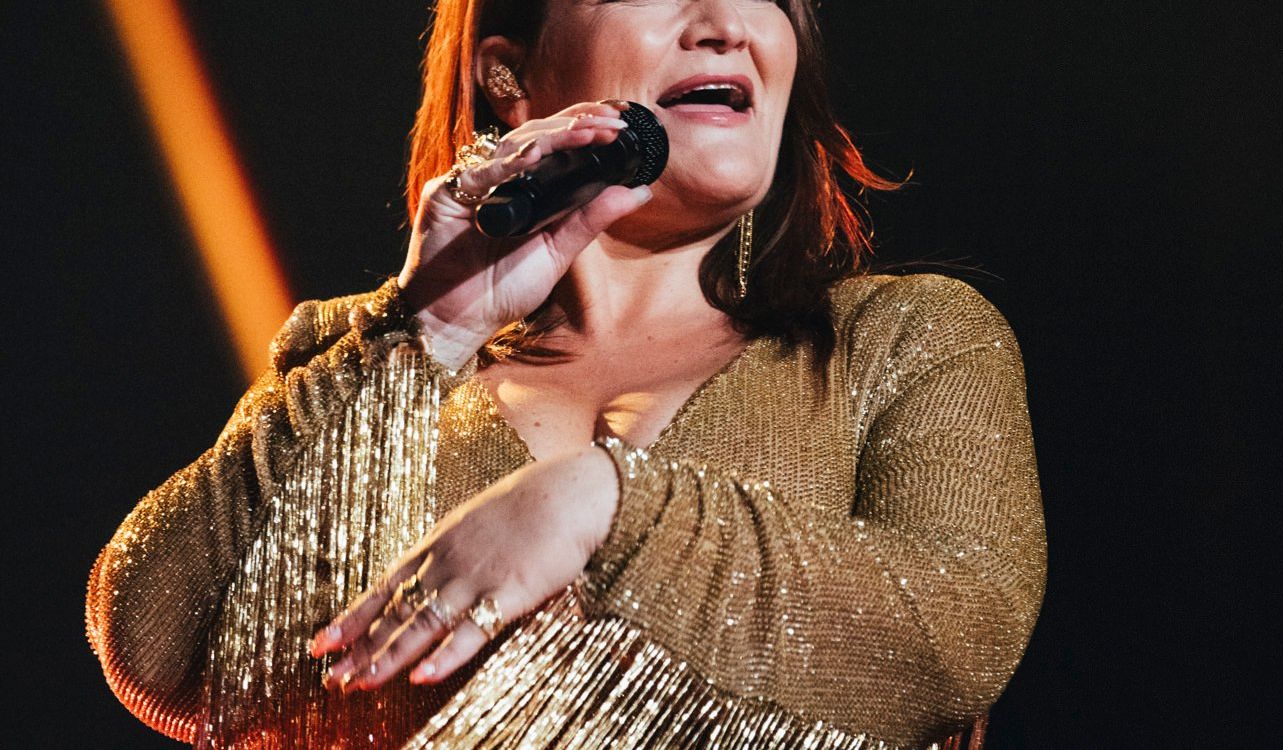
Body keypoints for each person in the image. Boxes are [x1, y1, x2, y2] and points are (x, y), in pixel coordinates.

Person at [85, 0, 1047, 748]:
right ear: (509, 72)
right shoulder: (379, 365)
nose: (726, 27)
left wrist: (603, 505)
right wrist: (427, 331)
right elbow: (162, 649)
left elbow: (960, 626)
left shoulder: (903, 342)